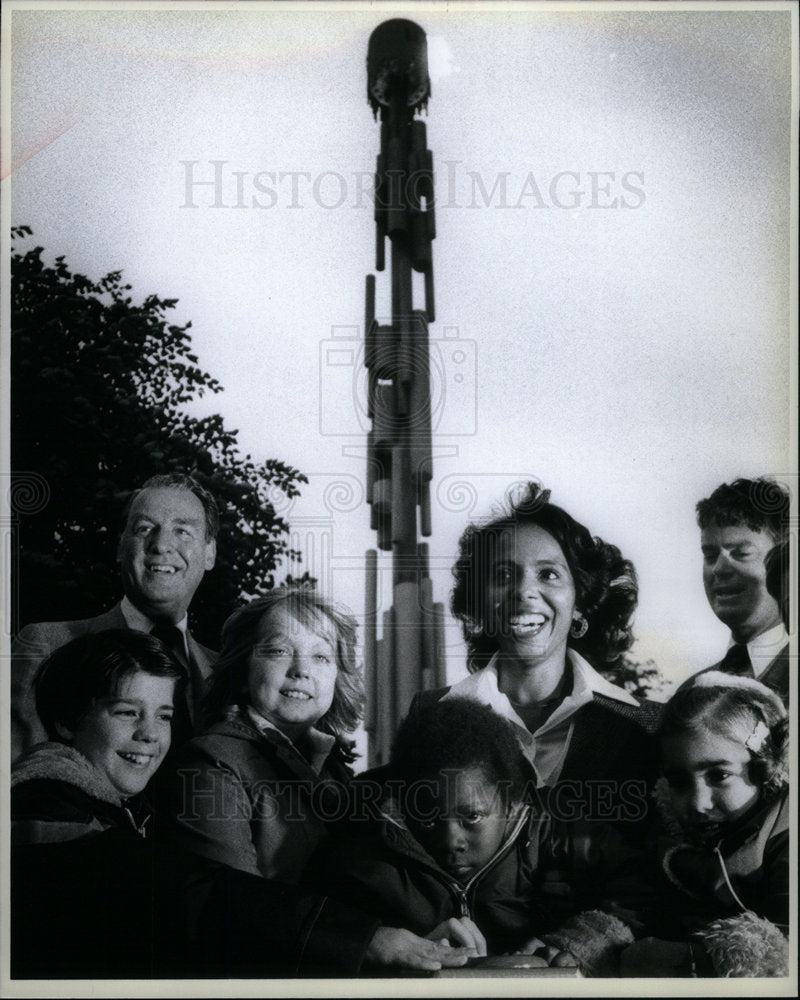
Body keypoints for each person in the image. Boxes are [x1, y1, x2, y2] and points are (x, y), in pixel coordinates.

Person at [11, 629, 471, 978]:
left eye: (164, 715)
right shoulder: (42, 807)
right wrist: (364, 941)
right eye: (127, 712)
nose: (150, 734)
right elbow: (190, 892)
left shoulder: (120, 807)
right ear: (69, 720)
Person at [165, 588, 475, 971]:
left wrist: (419, 939)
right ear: (243, 669)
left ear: (337, 678)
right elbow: (230, 910)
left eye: (321, 656)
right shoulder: (211, 763)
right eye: (278, 651)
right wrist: (370, 941)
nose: (301, 669)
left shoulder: (337, 774)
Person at [316, 699, 657, 976]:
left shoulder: (558, 829)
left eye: (473, 816)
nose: (451, 841)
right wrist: (409, 955)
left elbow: (643, 888)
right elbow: (327, 934)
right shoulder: (367, 856)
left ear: (511, 801)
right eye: (428, 818)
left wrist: (578, 942)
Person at [410, 482, 662, 831]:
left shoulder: (646, 727)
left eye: (549, 574)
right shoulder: (429, 716)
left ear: (581, 603)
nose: (525, 591)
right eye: (503, 574)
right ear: (480, 603)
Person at [11, 472, 219, 760]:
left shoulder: (225, 673)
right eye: (145, 528)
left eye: (183, 531)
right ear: (121, 546)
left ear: (210, 553)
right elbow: (18, 785)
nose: (161, 545)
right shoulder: (45, 646)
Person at [620, 672, 789, 978]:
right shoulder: (674, 843)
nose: (698, 803)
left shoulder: (788, 839)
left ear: (765, 768)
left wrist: (690, 961)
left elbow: (789, 951)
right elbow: (633, 906)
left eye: (719, 775)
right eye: (678, 781)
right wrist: (589, 940)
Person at [695, 477, 790, 703]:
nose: (719, 568)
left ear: (784, 562)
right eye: (710, 556)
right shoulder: (691, 693)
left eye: (741, 554)